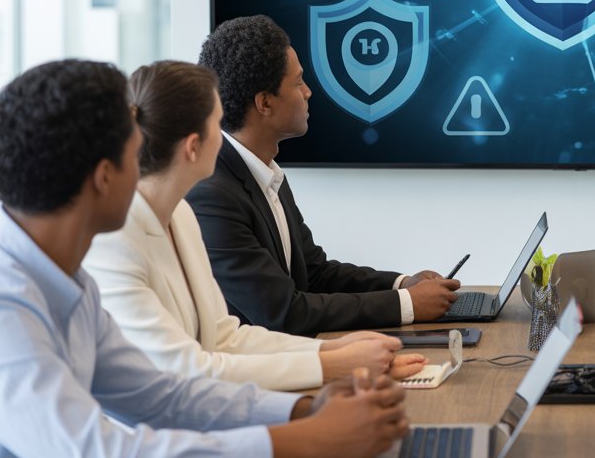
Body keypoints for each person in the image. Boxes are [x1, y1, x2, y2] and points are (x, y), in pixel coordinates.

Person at [0, 59, 408, 458]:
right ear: (104, 176)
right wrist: (310, 439)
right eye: (135, 150)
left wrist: (305, 411)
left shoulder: (67, 283)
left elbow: (163, 396)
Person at [84, 60, 427, 391]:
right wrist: (333, 366)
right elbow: (188, 369)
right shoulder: (114, 242)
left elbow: (225, 337)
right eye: (217, 125)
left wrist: (333, 350)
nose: (225, 137)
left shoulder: (181, 217)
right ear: (193, 148)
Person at [186, 15, 459, 335]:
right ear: (264, 103)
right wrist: (407, 304)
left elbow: (315, 275)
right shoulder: (212, 196)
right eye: (298, 82)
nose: (308, 92)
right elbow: (284, 312)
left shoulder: (267, 174)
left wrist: (402, 284)